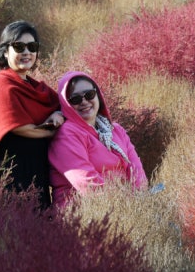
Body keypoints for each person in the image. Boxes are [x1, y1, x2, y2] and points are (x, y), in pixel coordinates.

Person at [0, 20, 64, 208]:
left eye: (32, 47)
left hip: (36, 175)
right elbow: (21, 127)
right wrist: (50, 131)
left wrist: (58, 116)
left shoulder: (37, 89)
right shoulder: (0, 83)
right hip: (10, 178)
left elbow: (61, 106)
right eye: (19, 46)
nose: (26, 52)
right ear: (6, 52)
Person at [48, 71, 148, 208]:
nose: (84, 102)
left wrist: (140, 198)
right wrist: (128, 205)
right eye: (75, 99)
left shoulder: (116, 130)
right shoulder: (67, 134)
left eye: (89, 95)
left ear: (98, 95)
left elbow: (136, 169)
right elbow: (87, 184)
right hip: (84, 213)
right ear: (66, 105)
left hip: (127, 205)